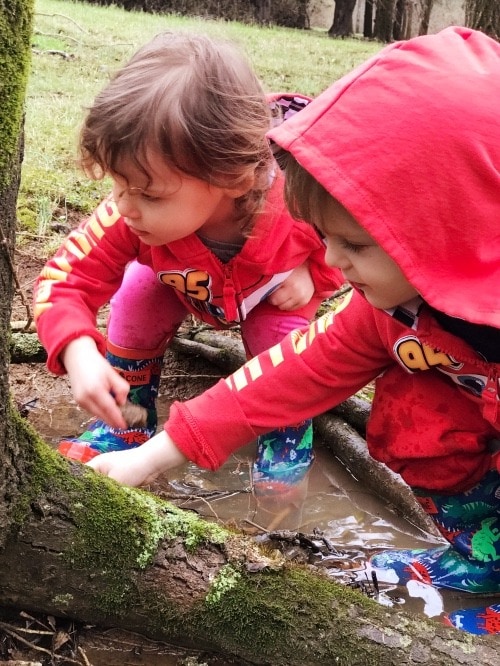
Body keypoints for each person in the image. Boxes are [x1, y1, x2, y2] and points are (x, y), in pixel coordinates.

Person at [85, 26, 500, 635]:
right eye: (323, 236)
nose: (330, 261)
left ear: (451, 230)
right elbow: (289, 374)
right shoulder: (388, 312)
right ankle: (480, 557)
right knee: (415, 411)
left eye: (354, 243)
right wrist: (150, 458)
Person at [33, 32, 341, 492]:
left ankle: (285, 432)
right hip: (179, 284)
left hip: (270, 294)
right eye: (118, 183)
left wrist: (314, 274)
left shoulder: (297, 197)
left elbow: (351, 238)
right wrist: (77, 352)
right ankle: (127, 418)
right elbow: (63, 280)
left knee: (279, 338)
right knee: (137, 293)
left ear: (231, 178)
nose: (125, 205)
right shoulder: (128, 213)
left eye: (148, 193)